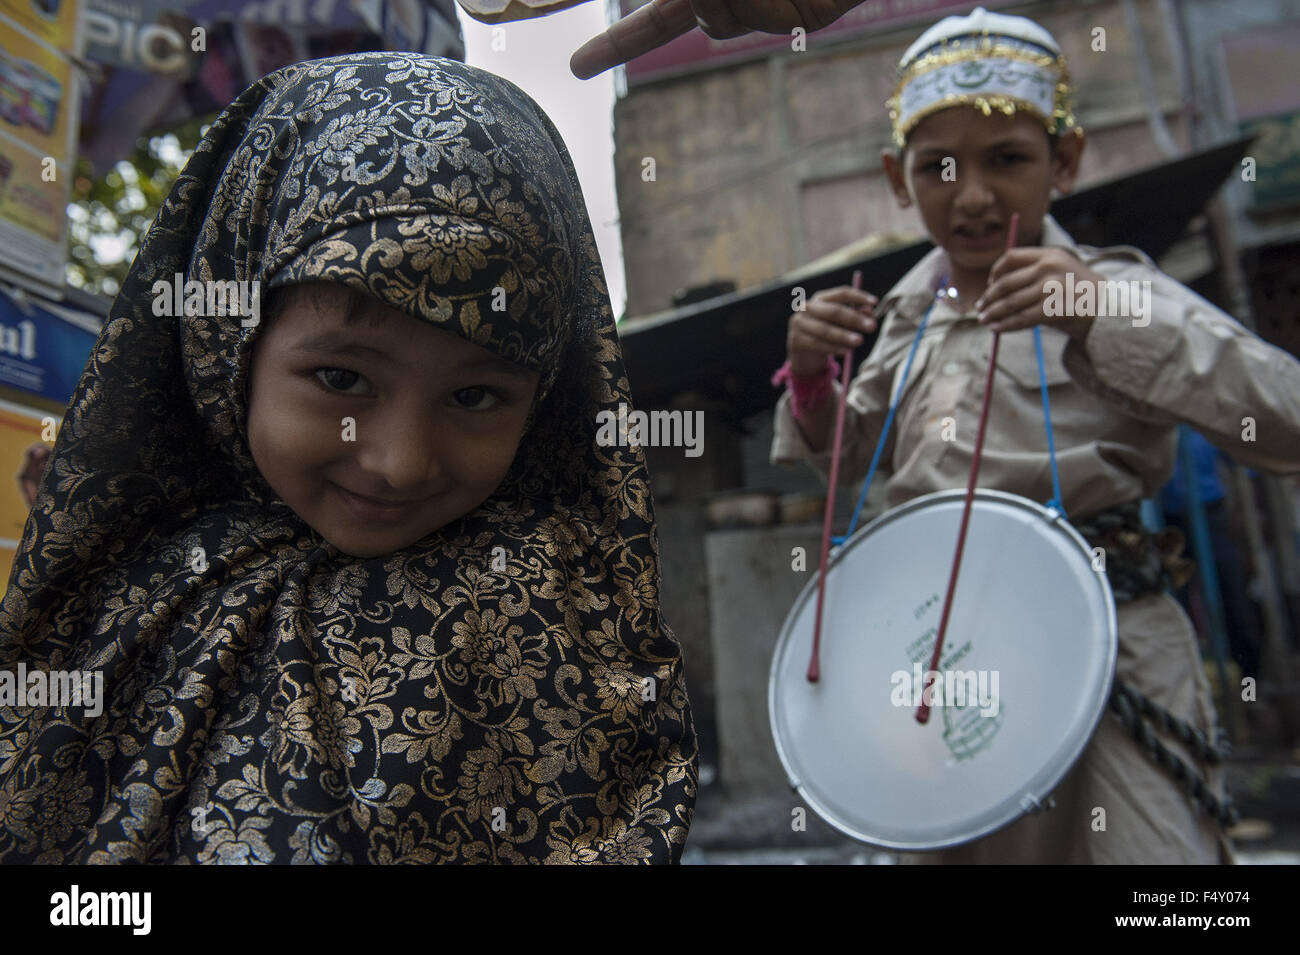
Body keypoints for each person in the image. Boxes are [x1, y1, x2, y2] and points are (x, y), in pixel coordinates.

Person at [0, 53, 697, 864]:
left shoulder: (550, 616)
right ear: (228, 342)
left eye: (476, 397)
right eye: (341, 378)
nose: (401, 463)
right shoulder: (120, 607)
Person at [771, 6, 1300, 863]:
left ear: (1066, 162)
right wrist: (807, 379)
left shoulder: (1115, 285)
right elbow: (853, 463)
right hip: (937, 663)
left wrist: (1100, 317)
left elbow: (1284, 414)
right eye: (938, 167)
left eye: (1008, 160)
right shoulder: (903, 318)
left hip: (1105, 644)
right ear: (898, 177)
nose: (973, 195)